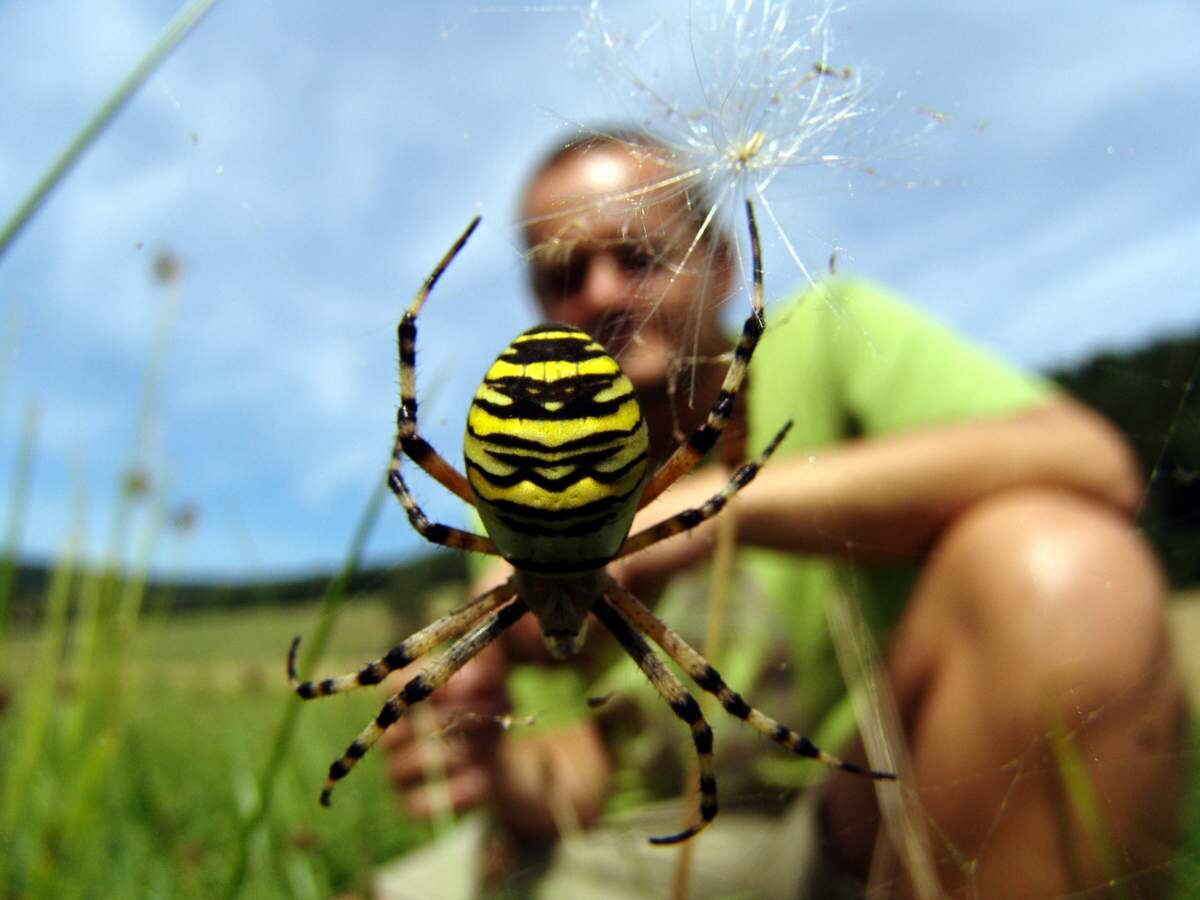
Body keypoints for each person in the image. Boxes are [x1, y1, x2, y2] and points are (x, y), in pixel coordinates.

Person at [378, 130, 1186, 898]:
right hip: (629, 849)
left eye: (640, 255)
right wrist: (489, 760)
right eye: (562, 274)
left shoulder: (822, 340)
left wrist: (712, 510)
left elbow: (1090, 461)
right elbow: (582, 773)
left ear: (721, 264)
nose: (602, 292)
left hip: (851, 812)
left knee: (1064, 568)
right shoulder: (519, 488)